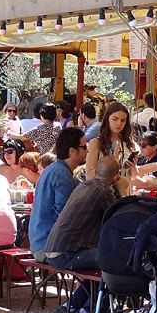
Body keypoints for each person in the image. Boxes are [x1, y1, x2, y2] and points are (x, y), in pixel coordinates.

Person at [44, 156, 119, 270]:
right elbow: (117, 219)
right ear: (115, 177)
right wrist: (121, 189)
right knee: (117, 258)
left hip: (54, 249)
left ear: (95, 171)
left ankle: (88, 289)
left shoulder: (83, 186)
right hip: (66, 254)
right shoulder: (103, 192)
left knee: (103, 257)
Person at [28, 127, 88, 262]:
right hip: (49, 247)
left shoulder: (53, 169)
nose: (87, 151)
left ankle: (83, 284)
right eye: (84, 147)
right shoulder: (61, 174)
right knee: (106, 257)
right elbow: (66, 213)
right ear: (72, 151)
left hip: (41, 243)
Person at [85, 101, 138, 196]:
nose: (119, 123)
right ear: (107, 118)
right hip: (102, 196)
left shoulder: (129, 143)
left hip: (124, 194)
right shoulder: (95, 143)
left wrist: (133, 167)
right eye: (115, 119)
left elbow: (133, 176)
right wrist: (111, 164)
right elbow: (89, 176)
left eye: (123, 120)